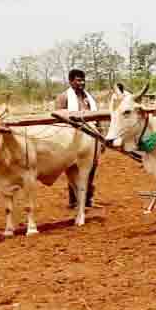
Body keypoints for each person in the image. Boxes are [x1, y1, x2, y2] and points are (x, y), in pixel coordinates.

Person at [54, 68, 101, 208]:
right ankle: (74, 200)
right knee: (73, 169)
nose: (82, 83)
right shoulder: (63, 97)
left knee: (91, 168)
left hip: (91, 139)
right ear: (71, 81)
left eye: (83, 80)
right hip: (71, 140)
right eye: (78, 80)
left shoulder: (88, 98)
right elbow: (58, 118)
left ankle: (88, 199)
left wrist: (100, 138)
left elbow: (96, 118)